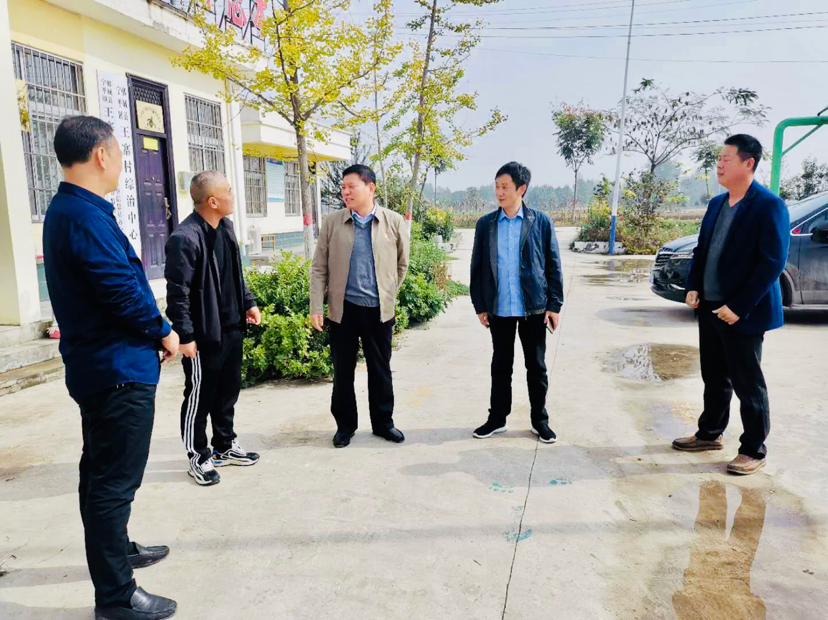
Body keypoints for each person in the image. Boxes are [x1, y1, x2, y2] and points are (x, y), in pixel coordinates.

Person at [43, 116, 178, 619]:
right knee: (112, 484)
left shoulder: (74, 210)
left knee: (100, 474)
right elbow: (120, 291)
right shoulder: (82, 215)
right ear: (101, 155)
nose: (123, 163)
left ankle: (117, 550)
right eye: (120, 153)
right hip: (116, 370)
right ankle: (117, 597)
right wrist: (163, 330)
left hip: (104, 365)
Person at [673, 134, 790, 476]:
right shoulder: (717, 204)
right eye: (719, 159)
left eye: (726, 159)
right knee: (714, 376)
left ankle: (753, 449)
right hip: (710, 306)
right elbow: (702, 250)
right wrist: (694, 286)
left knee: (747, 382)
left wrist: (738, 306)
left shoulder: (769, 206)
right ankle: (710, 433)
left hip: (743, 313)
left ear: (748, 163)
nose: (719, 165)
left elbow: (772, 263)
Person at [165, 171, 262, 486]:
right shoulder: (185, 238)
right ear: (212, 201)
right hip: (204, 335)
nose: (233, 196)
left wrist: (248, 302)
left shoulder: (227, 228)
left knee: (227, 392)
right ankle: (198, 456)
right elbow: (177, 294)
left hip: (231, 327)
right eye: (228, 191)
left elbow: (236, 273)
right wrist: (186, 336)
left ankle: (224, 445)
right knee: (200, 398)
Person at [310, 164, 410, 448]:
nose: (345, 192)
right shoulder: (333, 222)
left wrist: (387, 293)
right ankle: (345, 426)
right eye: (343, 187)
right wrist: (316, 306)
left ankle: (383, 423)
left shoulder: (393, 221)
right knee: (343, 371)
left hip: (379, 311)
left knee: (380, 369)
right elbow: (319, 268)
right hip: (343, 310)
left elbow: (402, 264)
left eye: (351, 186)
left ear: (371, 188)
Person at [469, 162, 564, 443]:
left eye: (505, 187)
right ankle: (497, 419)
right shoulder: (486, 224)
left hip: (533, 308)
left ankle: (540, 421)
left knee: (536, 367)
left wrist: (554, 305)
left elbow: (553, 265)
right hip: (499, 308)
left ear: (521, 189)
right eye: (497, 186)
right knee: (500, 366)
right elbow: (477, 267)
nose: (499, 192)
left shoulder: (540, 222)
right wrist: (480, 305)